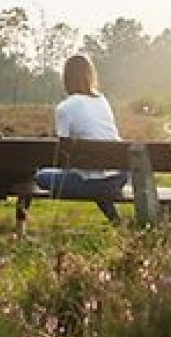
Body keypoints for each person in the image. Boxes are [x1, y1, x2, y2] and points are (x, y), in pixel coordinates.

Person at [34, 54, 128, 224]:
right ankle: (116, 221)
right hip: (119, 177)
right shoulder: (102, 101)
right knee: (91, 172)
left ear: (66, 78)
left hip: (95, 182)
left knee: (41, 176)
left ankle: (116, 220)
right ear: (90, 75)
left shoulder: (65, 107)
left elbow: (62, 152)